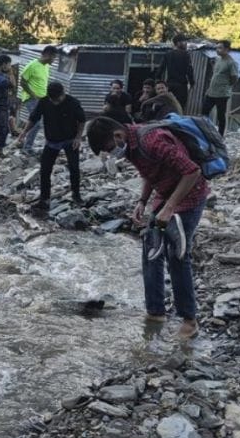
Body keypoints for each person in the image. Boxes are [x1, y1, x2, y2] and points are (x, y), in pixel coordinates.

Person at [86, 116, 208, 339]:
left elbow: (192, 171)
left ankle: (190, 321)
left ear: (118, 136)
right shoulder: (131, 146)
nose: (111, 154)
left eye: (109, 149)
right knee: (151, 250)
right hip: (164, 194)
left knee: (177, 255)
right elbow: (149, 172)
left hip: (190, 196)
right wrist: (142, 201)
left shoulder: (153, 140)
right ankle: (155, 313)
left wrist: (170, 208)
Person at [17, 83, 86, 210]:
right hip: (52, 141)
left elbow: (82, 120)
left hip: (70, 140)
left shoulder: (73, 102)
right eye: (52, 100)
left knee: (74, 168)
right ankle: (44, 199)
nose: (55, 102)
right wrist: (24, 132)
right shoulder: (44, 102)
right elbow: (33, 118)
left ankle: (76, 195)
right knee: (45, 170)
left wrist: (78, 137)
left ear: (63, 94)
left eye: (58, 99)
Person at [18, 45, 58, 155]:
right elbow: (22, 82)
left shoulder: (46, 66)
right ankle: (27, 148)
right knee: (36, 123)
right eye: (53, 57)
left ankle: (49, 146)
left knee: (48, 121)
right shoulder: (32, 65)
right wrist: (33, 95)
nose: (54, 60)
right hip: (31, 99)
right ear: (47, 55)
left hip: (43, 99)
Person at [202, 40, 238, 136]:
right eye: (217, 47)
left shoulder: (231, 63)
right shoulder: (218, 59)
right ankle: (205, 131)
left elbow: (234, 79)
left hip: (222, 93)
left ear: (227, 49)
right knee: (204, 111)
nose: (217, 50)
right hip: (211, 92)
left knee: (220, 116)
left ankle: (220, 135)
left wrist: (226, 86)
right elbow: (215, 74)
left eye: (220, 48)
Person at [156, 35, 196, 110]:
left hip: (170, 85)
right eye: (184, 41)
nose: (186, 43)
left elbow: (161, 69)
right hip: (181, 86)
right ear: (178, 43)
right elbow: (189, 70)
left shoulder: (168, 54)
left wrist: (158, 81)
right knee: (180, 108)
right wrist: (192, 82)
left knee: (168, 106)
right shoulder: (186, 55)